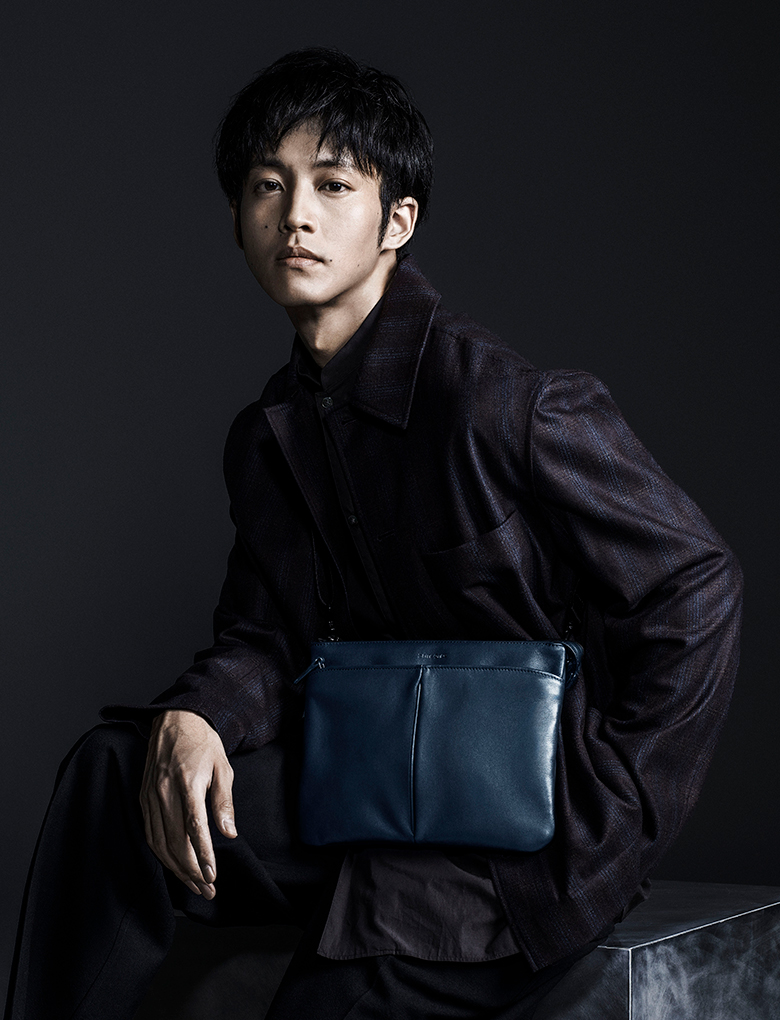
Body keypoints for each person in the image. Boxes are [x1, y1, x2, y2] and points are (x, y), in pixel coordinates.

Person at [4, 47, 743, 1020]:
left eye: (333, 184)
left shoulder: (503, 403)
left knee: (332, 996)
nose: (295, 216)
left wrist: (614, 819)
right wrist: (199, 716)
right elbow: (266, 637)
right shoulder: (268, 436)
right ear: (238, 216)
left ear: (398, 220)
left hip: (505, 837)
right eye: (268, 185)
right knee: (116, 768)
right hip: (359, 795)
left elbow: (696, 584)